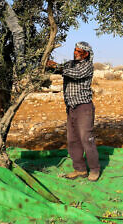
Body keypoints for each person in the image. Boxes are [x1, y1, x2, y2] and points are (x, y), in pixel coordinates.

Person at [47, 42, 100, 181]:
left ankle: (94, 169)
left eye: (79, 51)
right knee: (73, 140)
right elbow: (60, 70)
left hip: (84, 108)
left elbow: (75, 74)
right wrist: (46, 63)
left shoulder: (87, 66)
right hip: (71, 107)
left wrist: (56, 66)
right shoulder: (70, 64)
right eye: (75, 50)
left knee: (86, 139)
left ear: (86, 54)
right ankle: (80, 169)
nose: (76, 53)